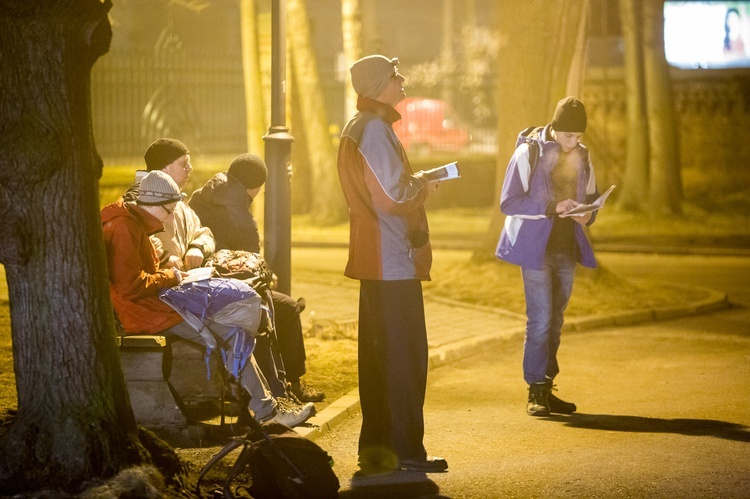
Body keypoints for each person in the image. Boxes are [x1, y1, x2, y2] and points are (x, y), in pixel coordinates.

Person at [102, 170, 311, 427]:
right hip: (146, 313)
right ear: (154, 203)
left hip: (151, 307)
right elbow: (131, 285)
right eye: (168, 210)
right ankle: (268, 412)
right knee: (232, 334)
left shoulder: (128, 220)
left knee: (233, 331)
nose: (168, 218)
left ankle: (266, 408)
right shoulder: (126, 228)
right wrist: (171, 276)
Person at [336, 54, 447, 474]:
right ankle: (406, 451)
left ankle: (378, 447)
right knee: (405, 358)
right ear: (381, 83)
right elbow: (394, 197)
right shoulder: (376, 130)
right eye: (397, 76)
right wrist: (423, 185)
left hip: (375, 258)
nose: (403, 82)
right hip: (391, 257)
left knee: (379, 358)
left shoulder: (357, 126)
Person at [188, 153, 325, 402]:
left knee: (279, 304)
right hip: (226, 290)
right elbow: (251, 264)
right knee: (288, 309)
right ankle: (292, 383)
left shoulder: (202, 194)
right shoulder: (241, 217)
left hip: (201, 284)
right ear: (257, 187)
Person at [495, 96, 600, 417]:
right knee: (539, 321)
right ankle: (535, 391)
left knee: (555, 322)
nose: (574, 143)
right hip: (536, 249)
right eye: (569, 136)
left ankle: (547, 385)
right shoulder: (528, 152)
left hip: (567, 248)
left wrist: (588, 216)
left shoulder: (583, 156)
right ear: (554, 128)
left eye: (579, 137)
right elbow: (508, 202)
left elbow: (592, 199)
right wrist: (552, 207)